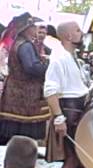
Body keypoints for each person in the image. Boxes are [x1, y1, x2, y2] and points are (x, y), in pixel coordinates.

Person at [44, 21, 90, 168]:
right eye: (78, 30)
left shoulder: (71, 55)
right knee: (73, 159)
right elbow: (50, 91)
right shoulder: (59, 58)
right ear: (69, 36)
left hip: (77, 110)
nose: (81, 33)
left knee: (83, 159)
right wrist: (59, 118)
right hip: (69, 113)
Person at [0, 12, 50, 145]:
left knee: (16, 136)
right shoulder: (25, 45)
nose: (36, 28)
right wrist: (49, 66)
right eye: (33, 26)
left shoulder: (19, 43)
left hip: (17, 93)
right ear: (26, 28)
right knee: (24, 135)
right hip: (25, 96)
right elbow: (32, 68)